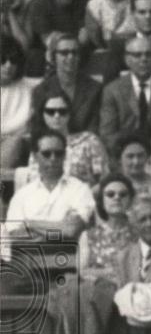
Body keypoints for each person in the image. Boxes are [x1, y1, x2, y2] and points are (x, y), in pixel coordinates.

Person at [2, 129, 95, 265]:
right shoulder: (22, 195)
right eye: (46, 153)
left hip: (68, 267)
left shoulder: (80, 190)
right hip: (27, 268)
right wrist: (59, 231)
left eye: (59, 153)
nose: (53, 158)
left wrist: (30, 224)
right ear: (35, 156)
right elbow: (15, 237)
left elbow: (71, 230)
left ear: (65, 155)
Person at [99, 34, 151, 150]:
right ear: (127, 60)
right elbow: (107, 135)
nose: (144, 59)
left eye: (149, 54)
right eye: (137, 55)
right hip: (125, 153)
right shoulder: (112, 90)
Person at [27, 91, 109, 187]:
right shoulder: (39, 144)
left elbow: (104, 179)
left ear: (69, 114)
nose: (57, 116)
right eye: (50, 111)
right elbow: (34, 181)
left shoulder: (89, 140)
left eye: (62, 111)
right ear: (42, 114)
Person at [30, 32, 103, 136]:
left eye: (75, 52)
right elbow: (38, 128)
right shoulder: (40, 90)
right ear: (53, 56)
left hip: (84, 144)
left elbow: (94, 128)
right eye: (64, 53)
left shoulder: (95, 88)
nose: (71, 57)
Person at [78, 173, 137, 284]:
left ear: (130, 201)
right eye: (110, 194)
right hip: (97, 292)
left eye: (123, 194)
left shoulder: (139, 235)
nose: (117, 197)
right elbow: (82, 271)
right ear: (102, 201)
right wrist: (110, 272)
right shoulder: (88, 236)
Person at [115, 133, 151, 215]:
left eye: (140, 156)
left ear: (147, 157)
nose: (136, 161)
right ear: (119, 159)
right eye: (130, 156)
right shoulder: (110, 187)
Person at [0, 40, 34, 171]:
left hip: (15, 140)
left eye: (13, 61)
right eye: (2, 60)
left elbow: (26, 126)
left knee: (15, 143)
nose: (8, 65)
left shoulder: (28, 88)